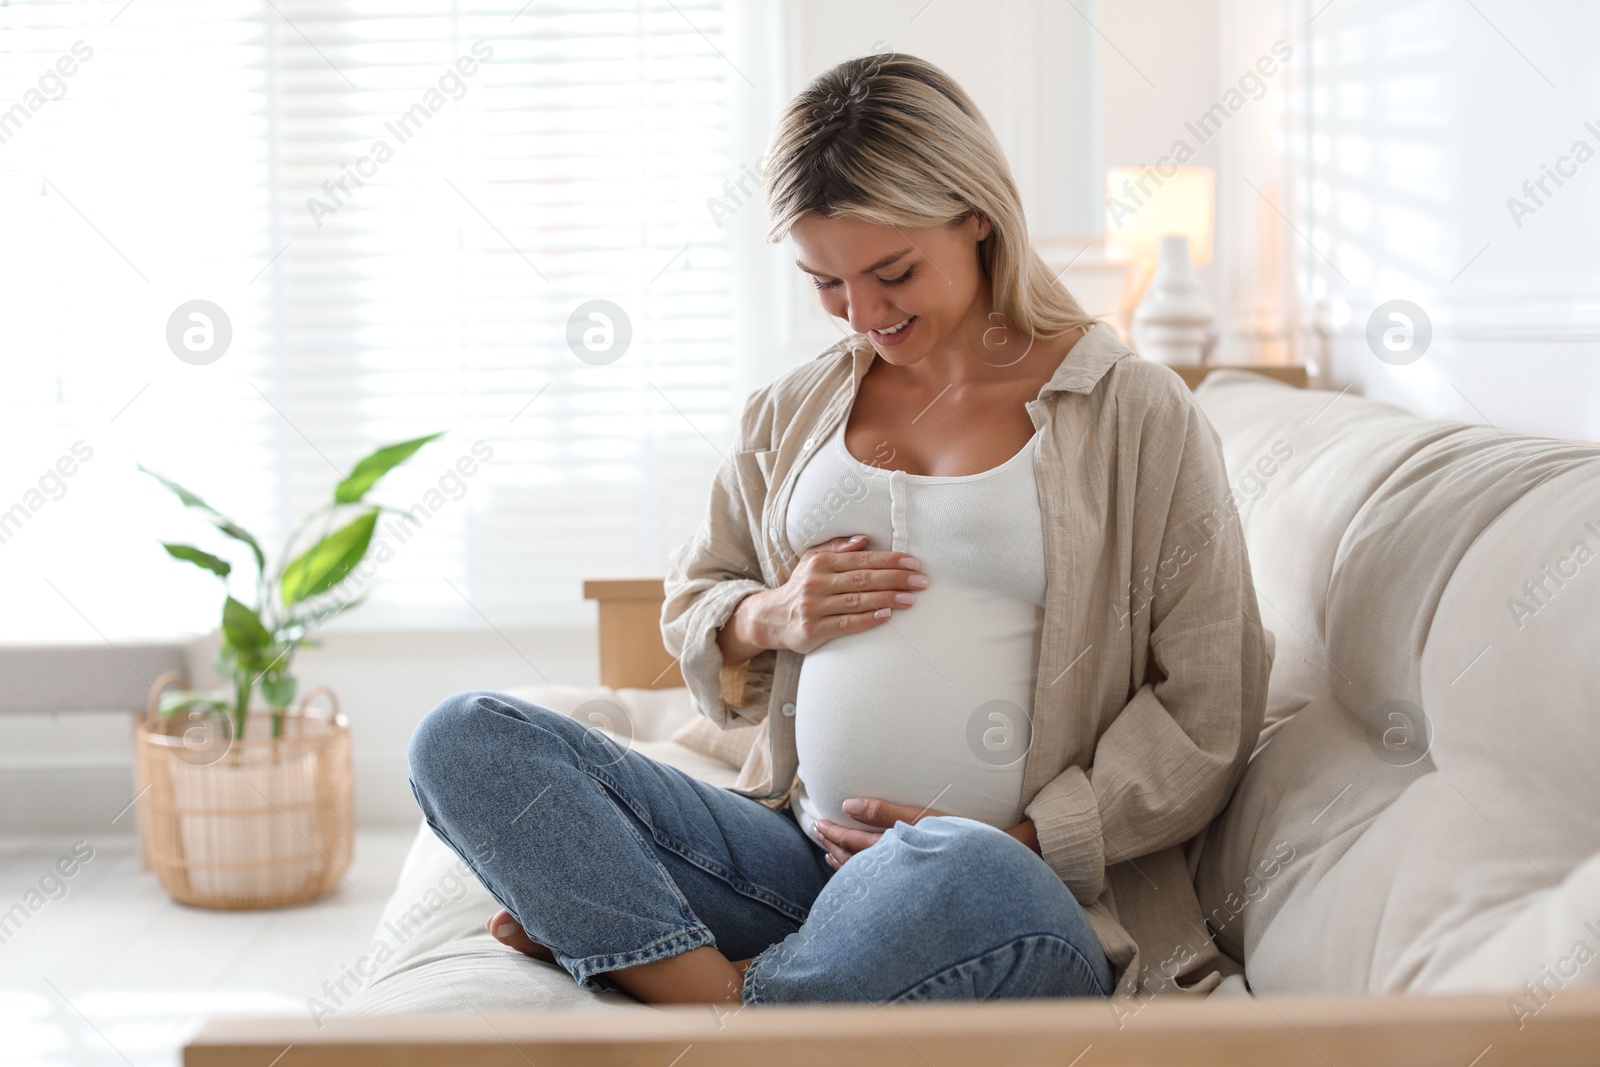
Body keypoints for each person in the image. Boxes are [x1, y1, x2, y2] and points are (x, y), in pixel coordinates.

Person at [408, 52, 1271, 1008]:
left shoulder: (1133, 413)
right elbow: (700, 597)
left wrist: (1024, 838)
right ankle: (731, 985)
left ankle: (673, 977)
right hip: (795, 859)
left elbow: (1207, 704)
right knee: (466, 737)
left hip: (1006, 889)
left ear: (977, 214)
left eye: (893, 272)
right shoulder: (793, 410)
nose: (862, 315)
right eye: (827, 282)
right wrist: (768, 616)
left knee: (953, 867)